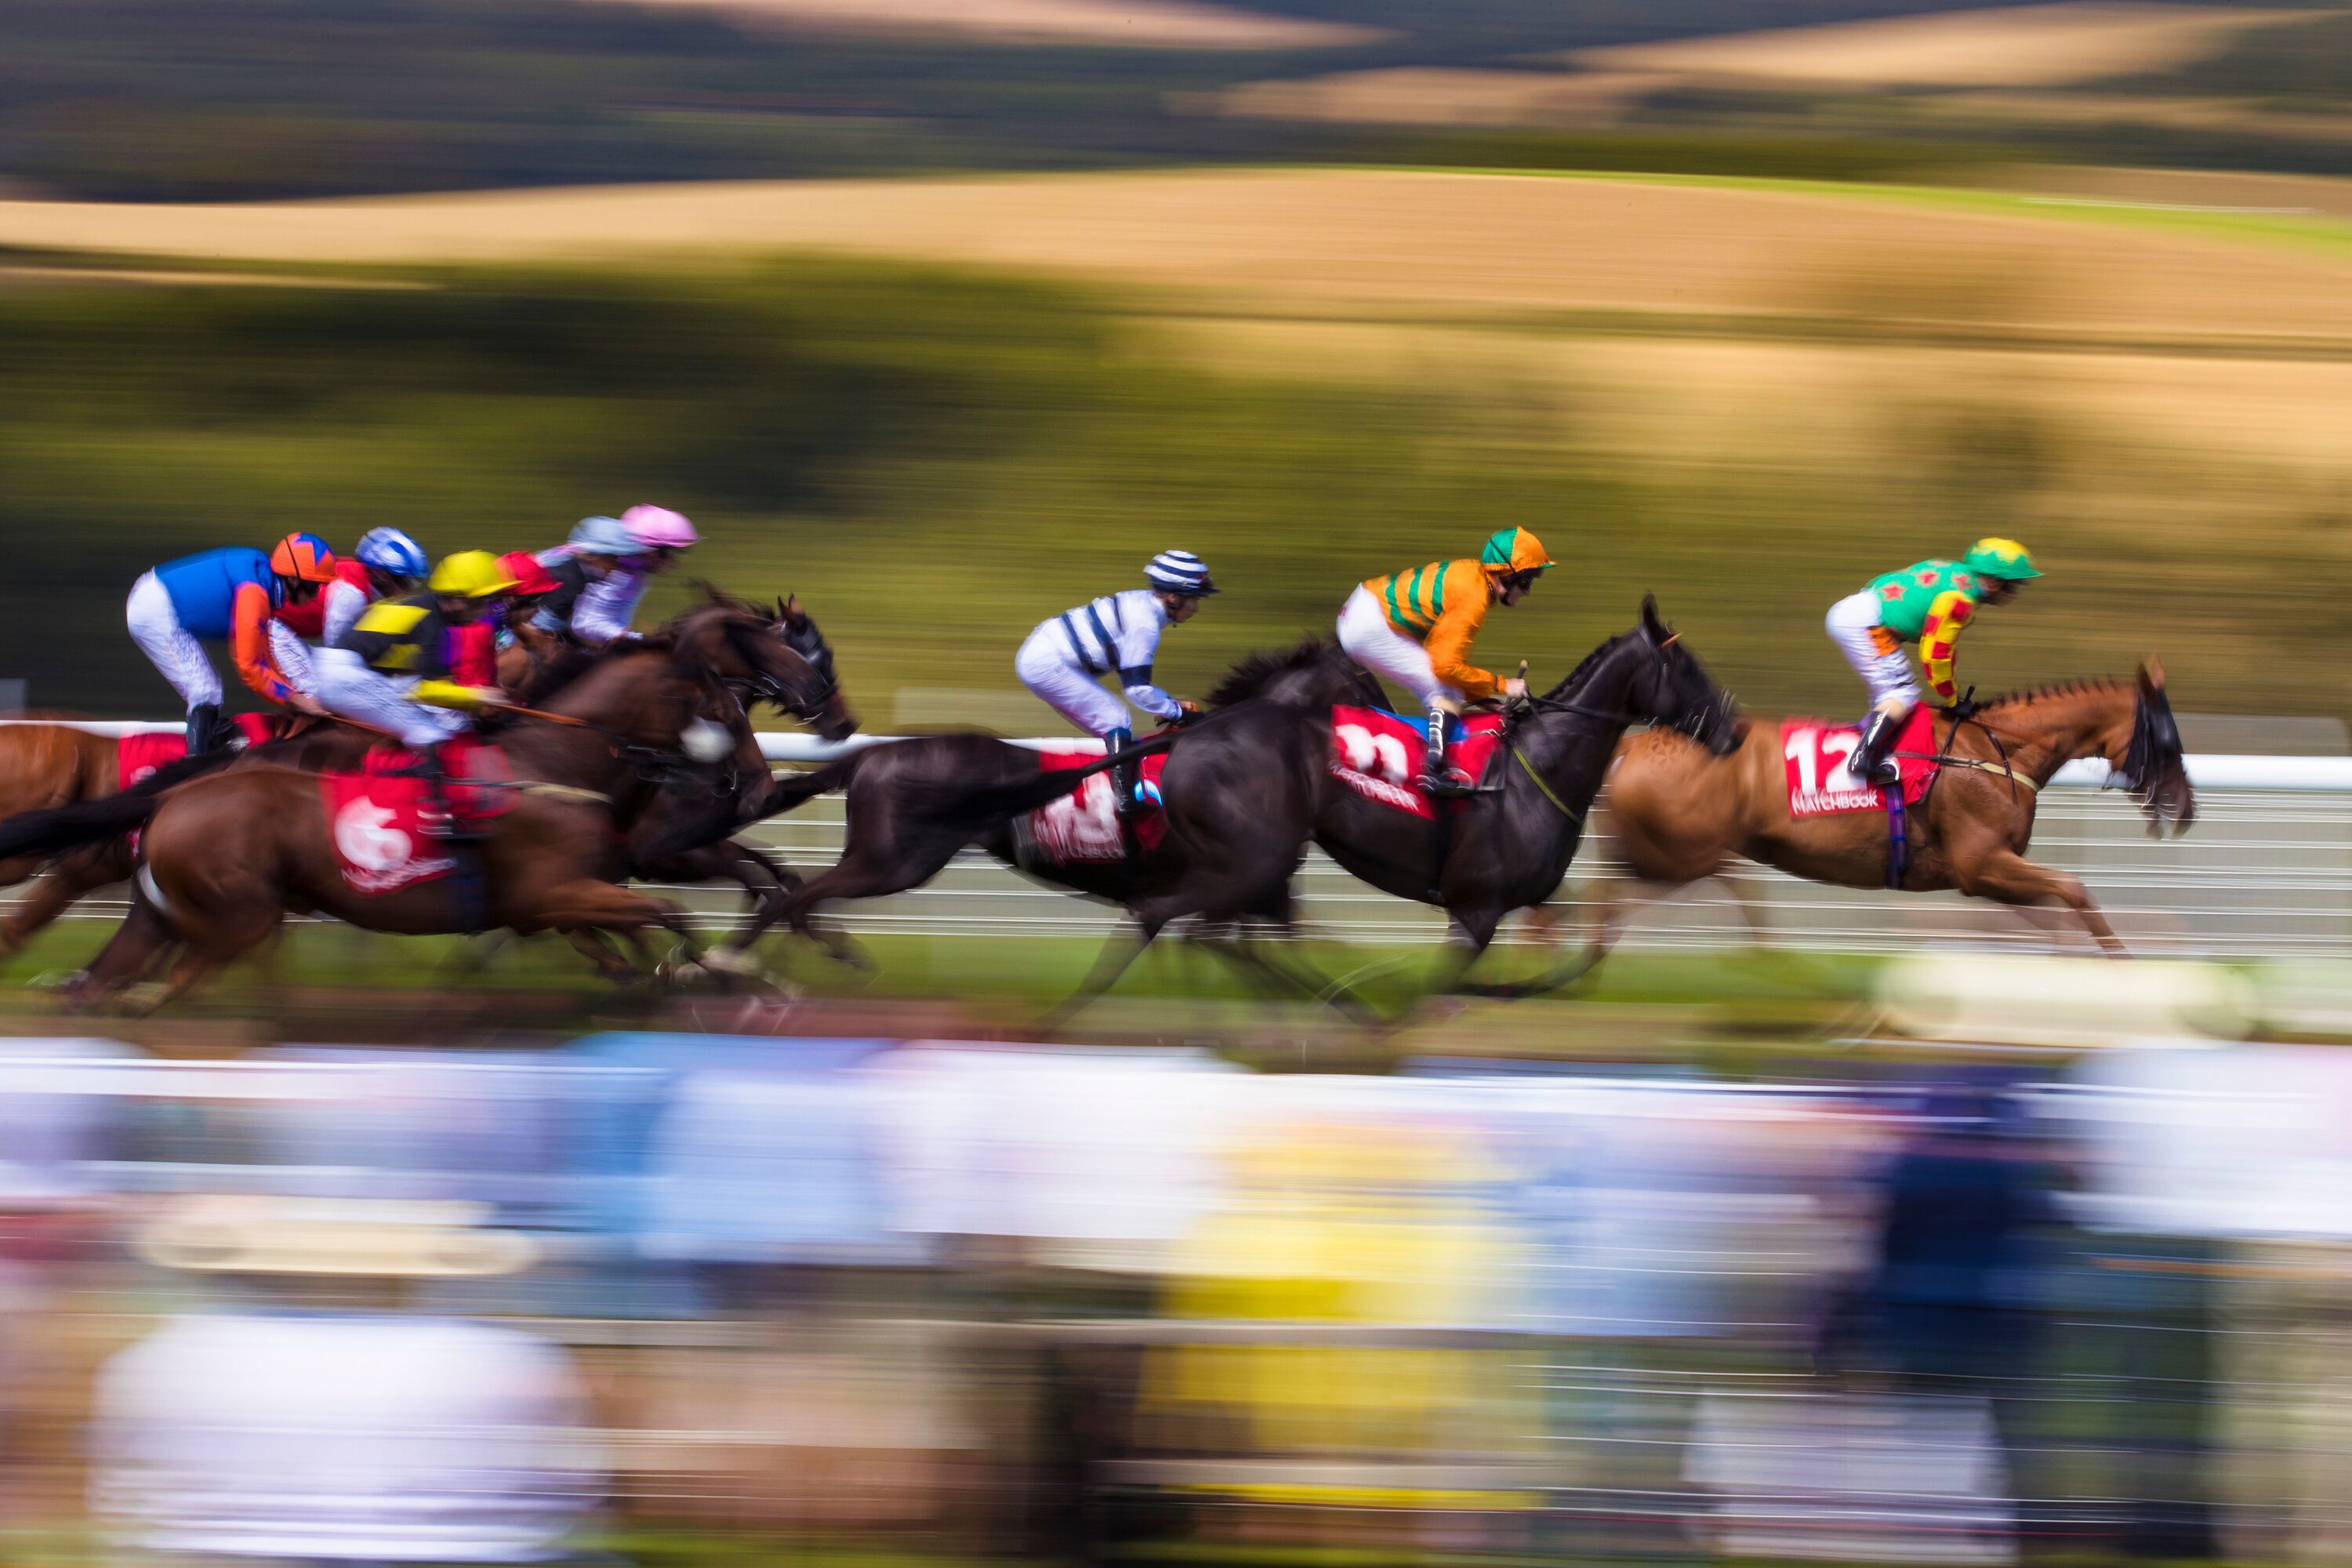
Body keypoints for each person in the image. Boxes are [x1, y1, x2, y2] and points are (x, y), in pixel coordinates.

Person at [1338, 528, 1553, 796]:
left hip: (1363, 611)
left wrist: (1484, 699)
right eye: (1527, 581)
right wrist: (1501, 684)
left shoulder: (1473, 577)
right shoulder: (1473, 598)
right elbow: (1446, 667)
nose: (1528, 592)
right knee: (1444, 691)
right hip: (1370, 626)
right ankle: (1433, 774)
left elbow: (1447, 655)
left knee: (1448, 685)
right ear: (1508, 575)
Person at [316, 551, 517, 826]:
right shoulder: (430, 622)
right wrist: (477, 696)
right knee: (429, 732)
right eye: (482, 602)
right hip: (345, 675)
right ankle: (434, 814)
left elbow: (416, 684)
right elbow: (423, 690)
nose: (485, 611)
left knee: (433, 724)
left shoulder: (429, 612)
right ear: (458, 599)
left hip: (350, 670)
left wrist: (469, 697)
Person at [1015, 550, 1217, 815]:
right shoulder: (1145, 625)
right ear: (1173, 597)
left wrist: (1170, 706)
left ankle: (1106, 790)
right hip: (1047, 662)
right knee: (1115, 718)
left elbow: (1132, 679)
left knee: (1110, 723)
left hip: (1044, 655)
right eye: (1194, 599)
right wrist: (1177, 712)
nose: (1196, 608)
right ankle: (1125, 801)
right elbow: (1137, 690)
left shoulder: (1144, 604)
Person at [1828, 538, 2041, 786]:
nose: (2014, 593)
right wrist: (1952, 700)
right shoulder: (1960, 600)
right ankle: (1862, 759)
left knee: (1888, 691)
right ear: (1993, 582)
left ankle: (1870, 745)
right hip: (1866, 624)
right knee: (1901, 693)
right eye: (2012, 586)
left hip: (1859, 613)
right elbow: (1936, 654)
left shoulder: (1954, 571)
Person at [125, 533, 340, 753]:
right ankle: (196, 763)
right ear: (294, 580)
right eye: (313, 587)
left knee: (209, 691)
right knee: (205, 691)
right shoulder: (254, 593)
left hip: (155, 599)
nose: (315, 596)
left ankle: (207, 747)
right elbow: (250, 667)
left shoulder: (262, 579)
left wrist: (294, 694)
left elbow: (263, 656)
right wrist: (294, 699)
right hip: (154, 611)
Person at [273, 528, 431, 692]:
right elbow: (336, 656)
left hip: (282, 627)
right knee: (315, 690)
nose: (407, 591)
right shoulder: (352, 594)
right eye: (404, 582)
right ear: (382, 575)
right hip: (271, 624)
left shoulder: (360, 582)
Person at [532, 505, 697, 650]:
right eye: (664, 553)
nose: (671, 563)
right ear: (645, 548)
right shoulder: (608, 570)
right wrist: (641, 639)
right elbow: (586, 624)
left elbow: (615, 623)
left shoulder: (616, 563)